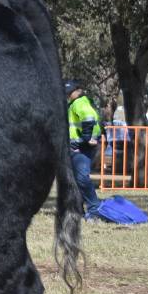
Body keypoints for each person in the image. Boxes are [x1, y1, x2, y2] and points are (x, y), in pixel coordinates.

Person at [65, 79, 103, 218]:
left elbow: (88, 118)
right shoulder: (75, 103)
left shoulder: (80, 102)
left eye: (70, 92)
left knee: (81, 178)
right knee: (74, 179)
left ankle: (94, 210)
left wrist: (87, 138)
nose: (68, 95)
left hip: (82, 147)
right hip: (77, 146)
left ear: (78, 90)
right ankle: (77, 210)